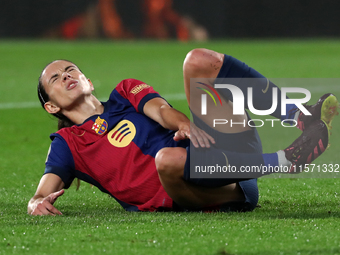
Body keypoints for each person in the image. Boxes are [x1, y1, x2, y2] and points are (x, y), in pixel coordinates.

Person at [27, 48, 338, 215]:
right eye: (55, 78)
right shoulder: (68, 144)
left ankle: (299, 115)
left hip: (220, 158)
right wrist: (36, 202)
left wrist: (185, 124)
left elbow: (161, 111)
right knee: (168, 160)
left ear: (89, 81)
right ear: (51, 107)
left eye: (70, 70)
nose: (66, 76)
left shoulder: (124, 93)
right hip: (204, 193)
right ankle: (287, 160)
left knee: (199, 61)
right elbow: (43, 191)